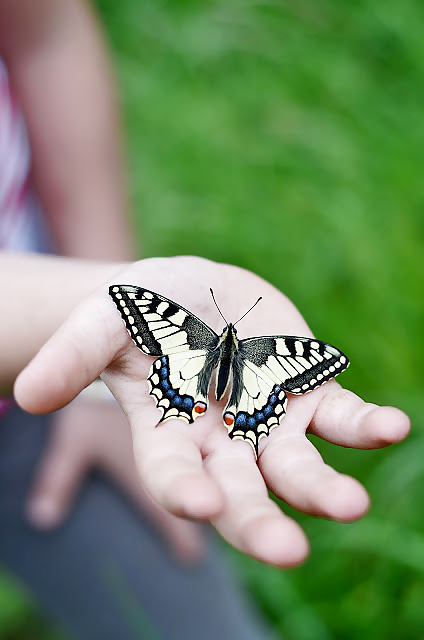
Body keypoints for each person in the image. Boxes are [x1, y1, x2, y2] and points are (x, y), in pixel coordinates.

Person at [0, 1, 411, 639]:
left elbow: (48, 32)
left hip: (31, 411)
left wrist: (102, 352)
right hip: (48, 338)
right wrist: (91, 310)